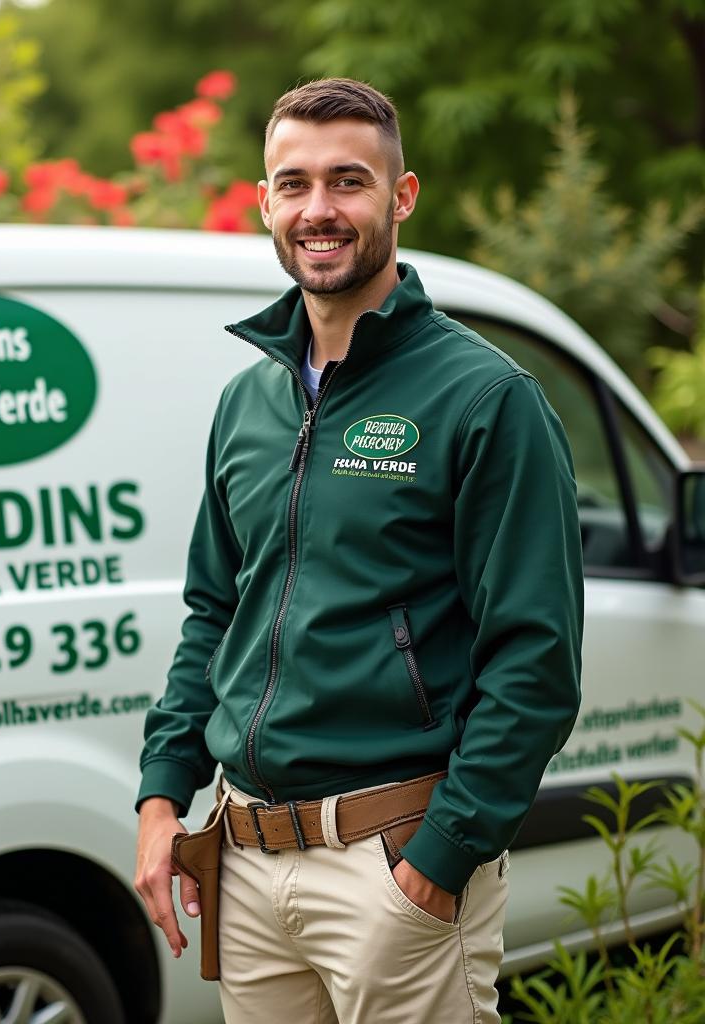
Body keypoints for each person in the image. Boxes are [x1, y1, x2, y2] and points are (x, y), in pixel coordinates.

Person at [134, 77, 583, 1024]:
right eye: (292, 184)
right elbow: (215, 612)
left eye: (349, 181)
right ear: (265, 202)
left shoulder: (485, 399)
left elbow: (536, 662)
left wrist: (439, 860)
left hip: (394, 857)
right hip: (247, 865)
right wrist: (162, 796)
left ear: (402, 195)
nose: (319, 209)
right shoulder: (245, 403)